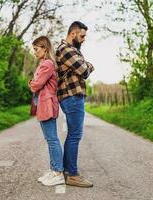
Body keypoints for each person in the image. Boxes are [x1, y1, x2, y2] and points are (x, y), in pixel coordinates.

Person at [55, 21, 94, 188]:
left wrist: (85, 65)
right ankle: (72, 174)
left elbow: (83, 68)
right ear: (73, 34)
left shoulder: (73, 51)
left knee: (73, 134)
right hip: (72, 96)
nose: (84, 39)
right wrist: (88, 65)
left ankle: (67, 170)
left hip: (72, 96)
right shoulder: (66, 49)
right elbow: (85, 70)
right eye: (82, 36)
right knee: (75, 135)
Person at [28, 36, 65, 186]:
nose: (35, 52)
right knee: (49, 139)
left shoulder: (47, 64)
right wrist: (34, 83)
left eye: (36, 49)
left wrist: (31, 83)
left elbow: (35, 85)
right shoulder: (44, 63)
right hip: (44, 105)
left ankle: (58, 172)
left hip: (47, 104)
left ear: (45, 48)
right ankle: (53, 169)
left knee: (52, 139)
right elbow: (36, 84)